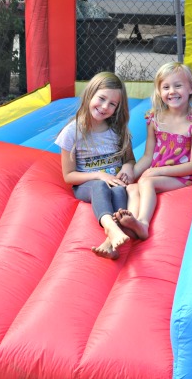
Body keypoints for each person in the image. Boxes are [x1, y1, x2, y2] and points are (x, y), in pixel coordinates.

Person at [116, 62, 192, 241]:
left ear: (191, 88)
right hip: (156, 175)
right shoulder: (155, 120)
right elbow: (148, 156)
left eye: (177, 85)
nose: (171, 91)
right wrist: (131, 175)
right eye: (166, 87)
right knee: (133, 187)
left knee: (147, 182)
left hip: (184, 178)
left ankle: (143, 223)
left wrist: (157, 171)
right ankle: (129, 224)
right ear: (159, 92)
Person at [55, 72, 135, 260]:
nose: (105, 106)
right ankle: (110, 227)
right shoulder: (72, 132)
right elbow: (69, 176)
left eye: (112, 104)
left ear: (117, 108)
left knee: (119, 191)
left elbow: (131, 160)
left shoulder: (118, 131)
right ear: (90, 94)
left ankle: (110, 244)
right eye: (102, 98)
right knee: (101, 186)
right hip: (88, 186)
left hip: (114, 184)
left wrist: (127, 167)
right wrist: (99, 175)